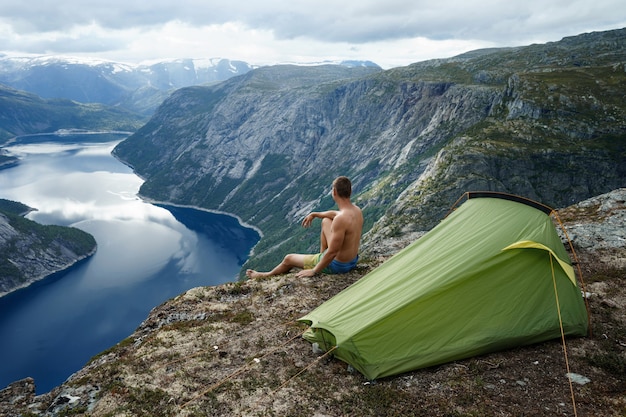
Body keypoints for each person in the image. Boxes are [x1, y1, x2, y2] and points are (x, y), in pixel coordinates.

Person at [246, 176, 363, 279]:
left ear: (334, 192)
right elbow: (336, 214)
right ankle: (320, 256)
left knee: (288, 258)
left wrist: (314, 270)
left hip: (338, 266)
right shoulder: (356, 211)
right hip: (352, 261)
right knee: (326, 221)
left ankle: (264, 275)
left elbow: (333, 252)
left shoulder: (340, 220)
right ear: (350, 191)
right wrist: (315, 214)